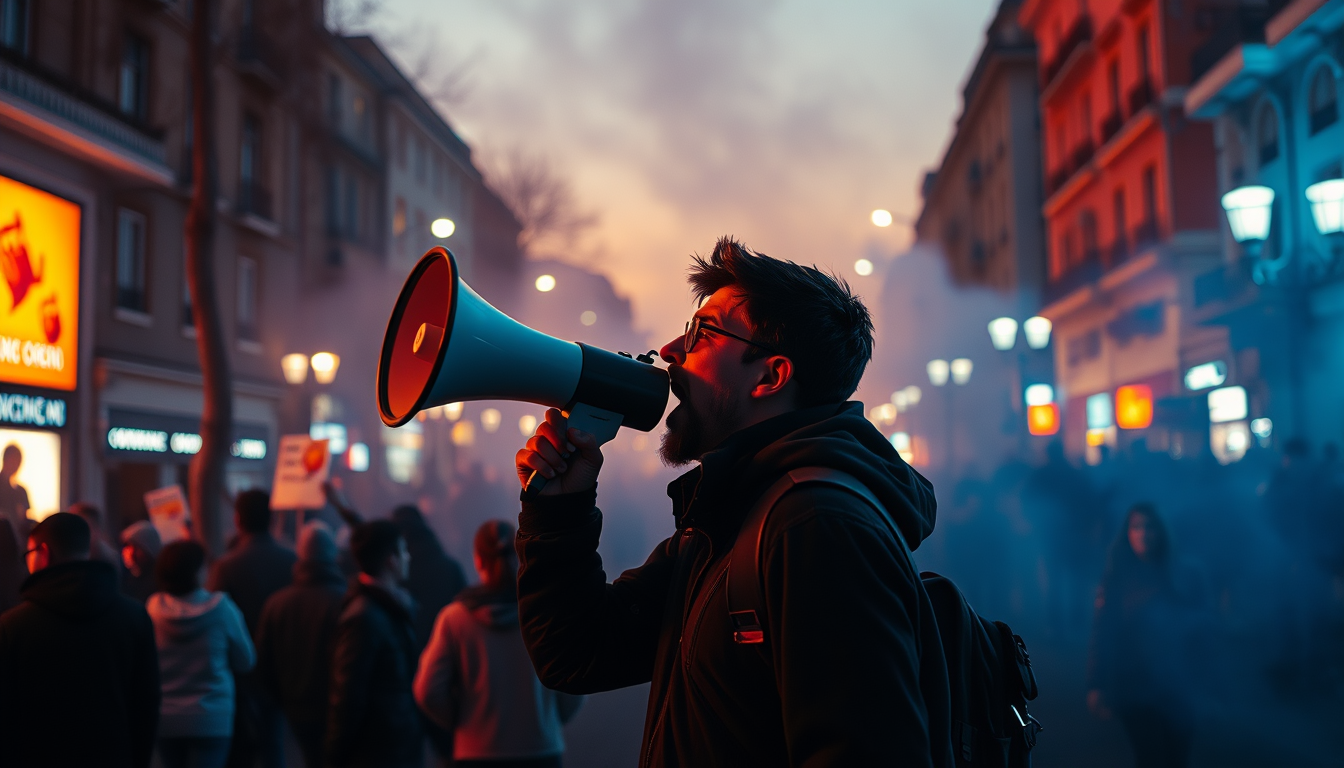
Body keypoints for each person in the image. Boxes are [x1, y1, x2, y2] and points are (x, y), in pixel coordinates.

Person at [514, 237, 951, 766]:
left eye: (702, 333)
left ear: (771, 375)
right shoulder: (739, 512)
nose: (670, 352)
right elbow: (578, 653)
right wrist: (560, 509)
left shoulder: (815, 526)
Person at [415, 520, 584, 768]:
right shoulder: (544, 612)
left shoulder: (454, 619)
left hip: (475, 753)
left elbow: (427, 690)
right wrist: (553, 718)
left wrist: (461, 721)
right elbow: (574, 678)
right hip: (541, 750)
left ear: (478, 560)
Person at [0, 512, 160, 767]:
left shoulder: (13, 626)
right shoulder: (134, 617)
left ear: (43, 552)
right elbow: (146, 703)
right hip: (112, 756)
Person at [1087, 503, 1202, 768]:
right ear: (1127, 533)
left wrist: (1213, 685)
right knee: (1149, 756)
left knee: (1177, 757)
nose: (1143, 534)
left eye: (1149, 527)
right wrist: (1096, 683)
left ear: (1161, 531)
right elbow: (1103, 632)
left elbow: (1202, 634)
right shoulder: (1117, 578)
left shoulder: (1187, 575)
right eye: (1136, 527)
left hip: (1179, 683)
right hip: (1134, 684)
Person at [149, 539, 256, 768]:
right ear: (198, 572)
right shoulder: (221, 608)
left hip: (165, 716)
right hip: (212, 715)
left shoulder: (152, 610)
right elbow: (246, 660)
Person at [208, 489, 295, 768]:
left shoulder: (226, 567)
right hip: (282, 667)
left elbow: (215, 622)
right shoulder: (291, 562)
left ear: (237, 520)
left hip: (239, 673)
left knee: (240, 750)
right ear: (270, 519)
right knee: (274, 745)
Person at [327, 520, 424, 768]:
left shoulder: (388, 606)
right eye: (403, 550)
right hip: (379, 749)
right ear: (390, 559)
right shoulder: (364, 617)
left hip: (392, 743)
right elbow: (348, 695)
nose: (409, 556)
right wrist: (334, 755)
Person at [255, 521, 347, 768]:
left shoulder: (276, 605)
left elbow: (263, 663)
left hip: (296, 708)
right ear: (334, 556)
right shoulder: (347, 602)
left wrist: (284, 696)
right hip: (338, 706)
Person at [72, 501, 123, 580]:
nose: (76, 533)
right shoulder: (74, 556)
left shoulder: (107, 561)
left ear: (97, 530)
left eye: (82, 528)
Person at [121, 520, 163, 604]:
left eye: (136, 548)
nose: (131, 553)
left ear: (149, 548)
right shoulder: (129, 577)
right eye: (128, 547)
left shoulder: (160, 579)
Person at [0, 444, 29, 532]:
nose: (17, 465)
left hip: (16, 541)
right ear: (6, 459)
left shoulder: (21, 491)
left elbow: (24, 521)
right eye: (14, 460)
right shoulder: (19, 491)